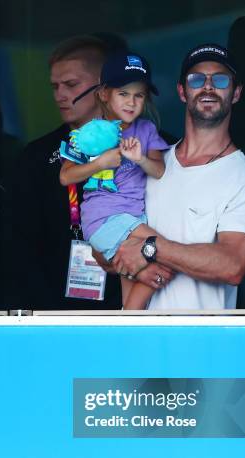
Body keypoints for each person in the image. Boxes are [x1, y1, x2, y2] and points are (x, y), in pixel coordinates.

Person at [112, 43, 245, 310]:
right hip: (140, 343)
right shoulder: (148, 162)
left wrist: (149, 248)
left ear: (236, 93)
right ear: (182, 92)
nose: (208, 86)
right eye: (197, 79)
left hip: (205, 344)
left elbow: (232, 265)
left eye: (220, 80)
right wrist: (131, 260)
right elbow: (102, 236)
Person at [1, 36, 125, 310]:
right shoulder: (36, 157)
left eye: (71, 85)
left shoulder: (143, 147)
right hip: (53, 312)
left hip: (133, 310)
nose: (60, 95)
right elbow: (18, 247)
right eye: (55, 86)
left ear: (104, 88)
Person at [60, 53, 172, 309]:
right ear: (103, 94)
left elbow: (159, 171)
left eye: (139, 95)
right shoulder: (87, 132)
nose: (132, 102)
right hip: (104, 219)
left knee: (140, 279)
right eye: (123, 94)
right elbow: (65, 176)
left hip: (134, 219)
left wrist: (140, 158)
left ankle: (129, 321)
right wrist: (99, 163)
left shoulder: (146, 130)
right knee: (168, 253)